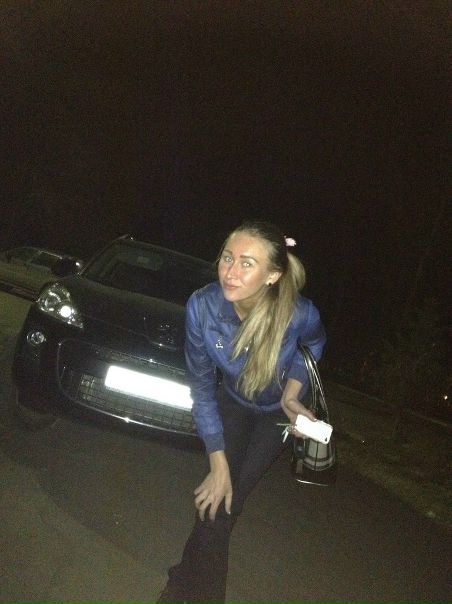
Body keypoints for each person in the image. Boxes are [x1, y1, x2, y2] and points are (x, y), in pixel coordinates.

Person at [157, 220, 326, 604]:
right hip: (231, 403)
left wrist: (292, 397)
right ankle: (189, 587)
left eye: (247, 263)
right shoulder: (203, 307)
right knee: (220, 498)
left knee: (224, 505)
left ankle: (181, 582)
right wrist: (217, 463)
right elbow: (202, 387)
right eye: (227, 258)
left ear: (273, 275)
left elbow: (315, 345)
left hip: (275, 416)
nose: (230, 272)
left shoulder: (299, 314)